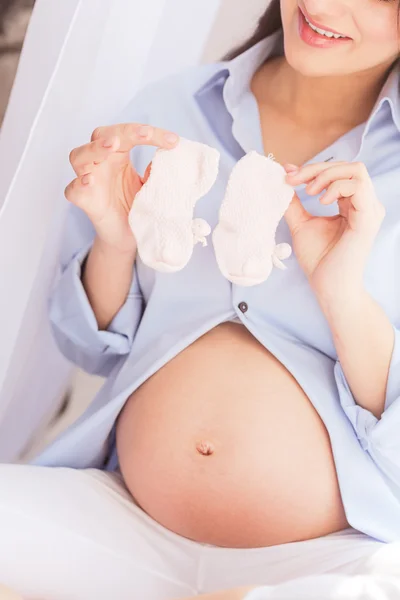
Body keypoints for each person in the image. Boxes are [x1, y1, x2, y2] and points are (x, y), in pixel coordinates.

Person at [1, 0, 400, 598]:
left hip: (328, 559)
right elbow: (90, 346)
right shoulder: (169, 112)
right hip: (123, 521)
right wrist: (114, 241)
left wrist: (341, 294)